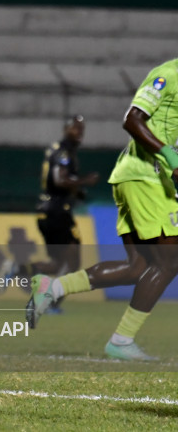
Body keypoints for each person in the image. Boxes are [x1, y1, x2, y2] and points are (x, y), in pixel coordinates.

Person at [27, 65, 178, 361]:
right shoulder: (169, 74)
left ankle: (52, 287)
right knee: (169, 261)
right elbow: (132, 121)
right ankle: (121, 340)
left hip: (145, 178)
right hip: (144, 176)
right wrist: (170, 155)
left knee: (139, 267)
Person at [3, 115, 99, 313]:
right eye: (76, 128)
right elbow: (59, 180)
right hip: (57, 211)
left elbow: (59, 181)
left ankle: (18, 268)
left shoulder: (60, 151)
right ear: (66, 129)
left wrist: (77, 191)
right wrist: (84, 182)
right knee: (73, 263)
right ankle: (50, 302)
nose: (80, 132)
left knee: (56, 264)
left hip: (46, 210)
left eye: (82, 129)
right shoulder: (63, 153)